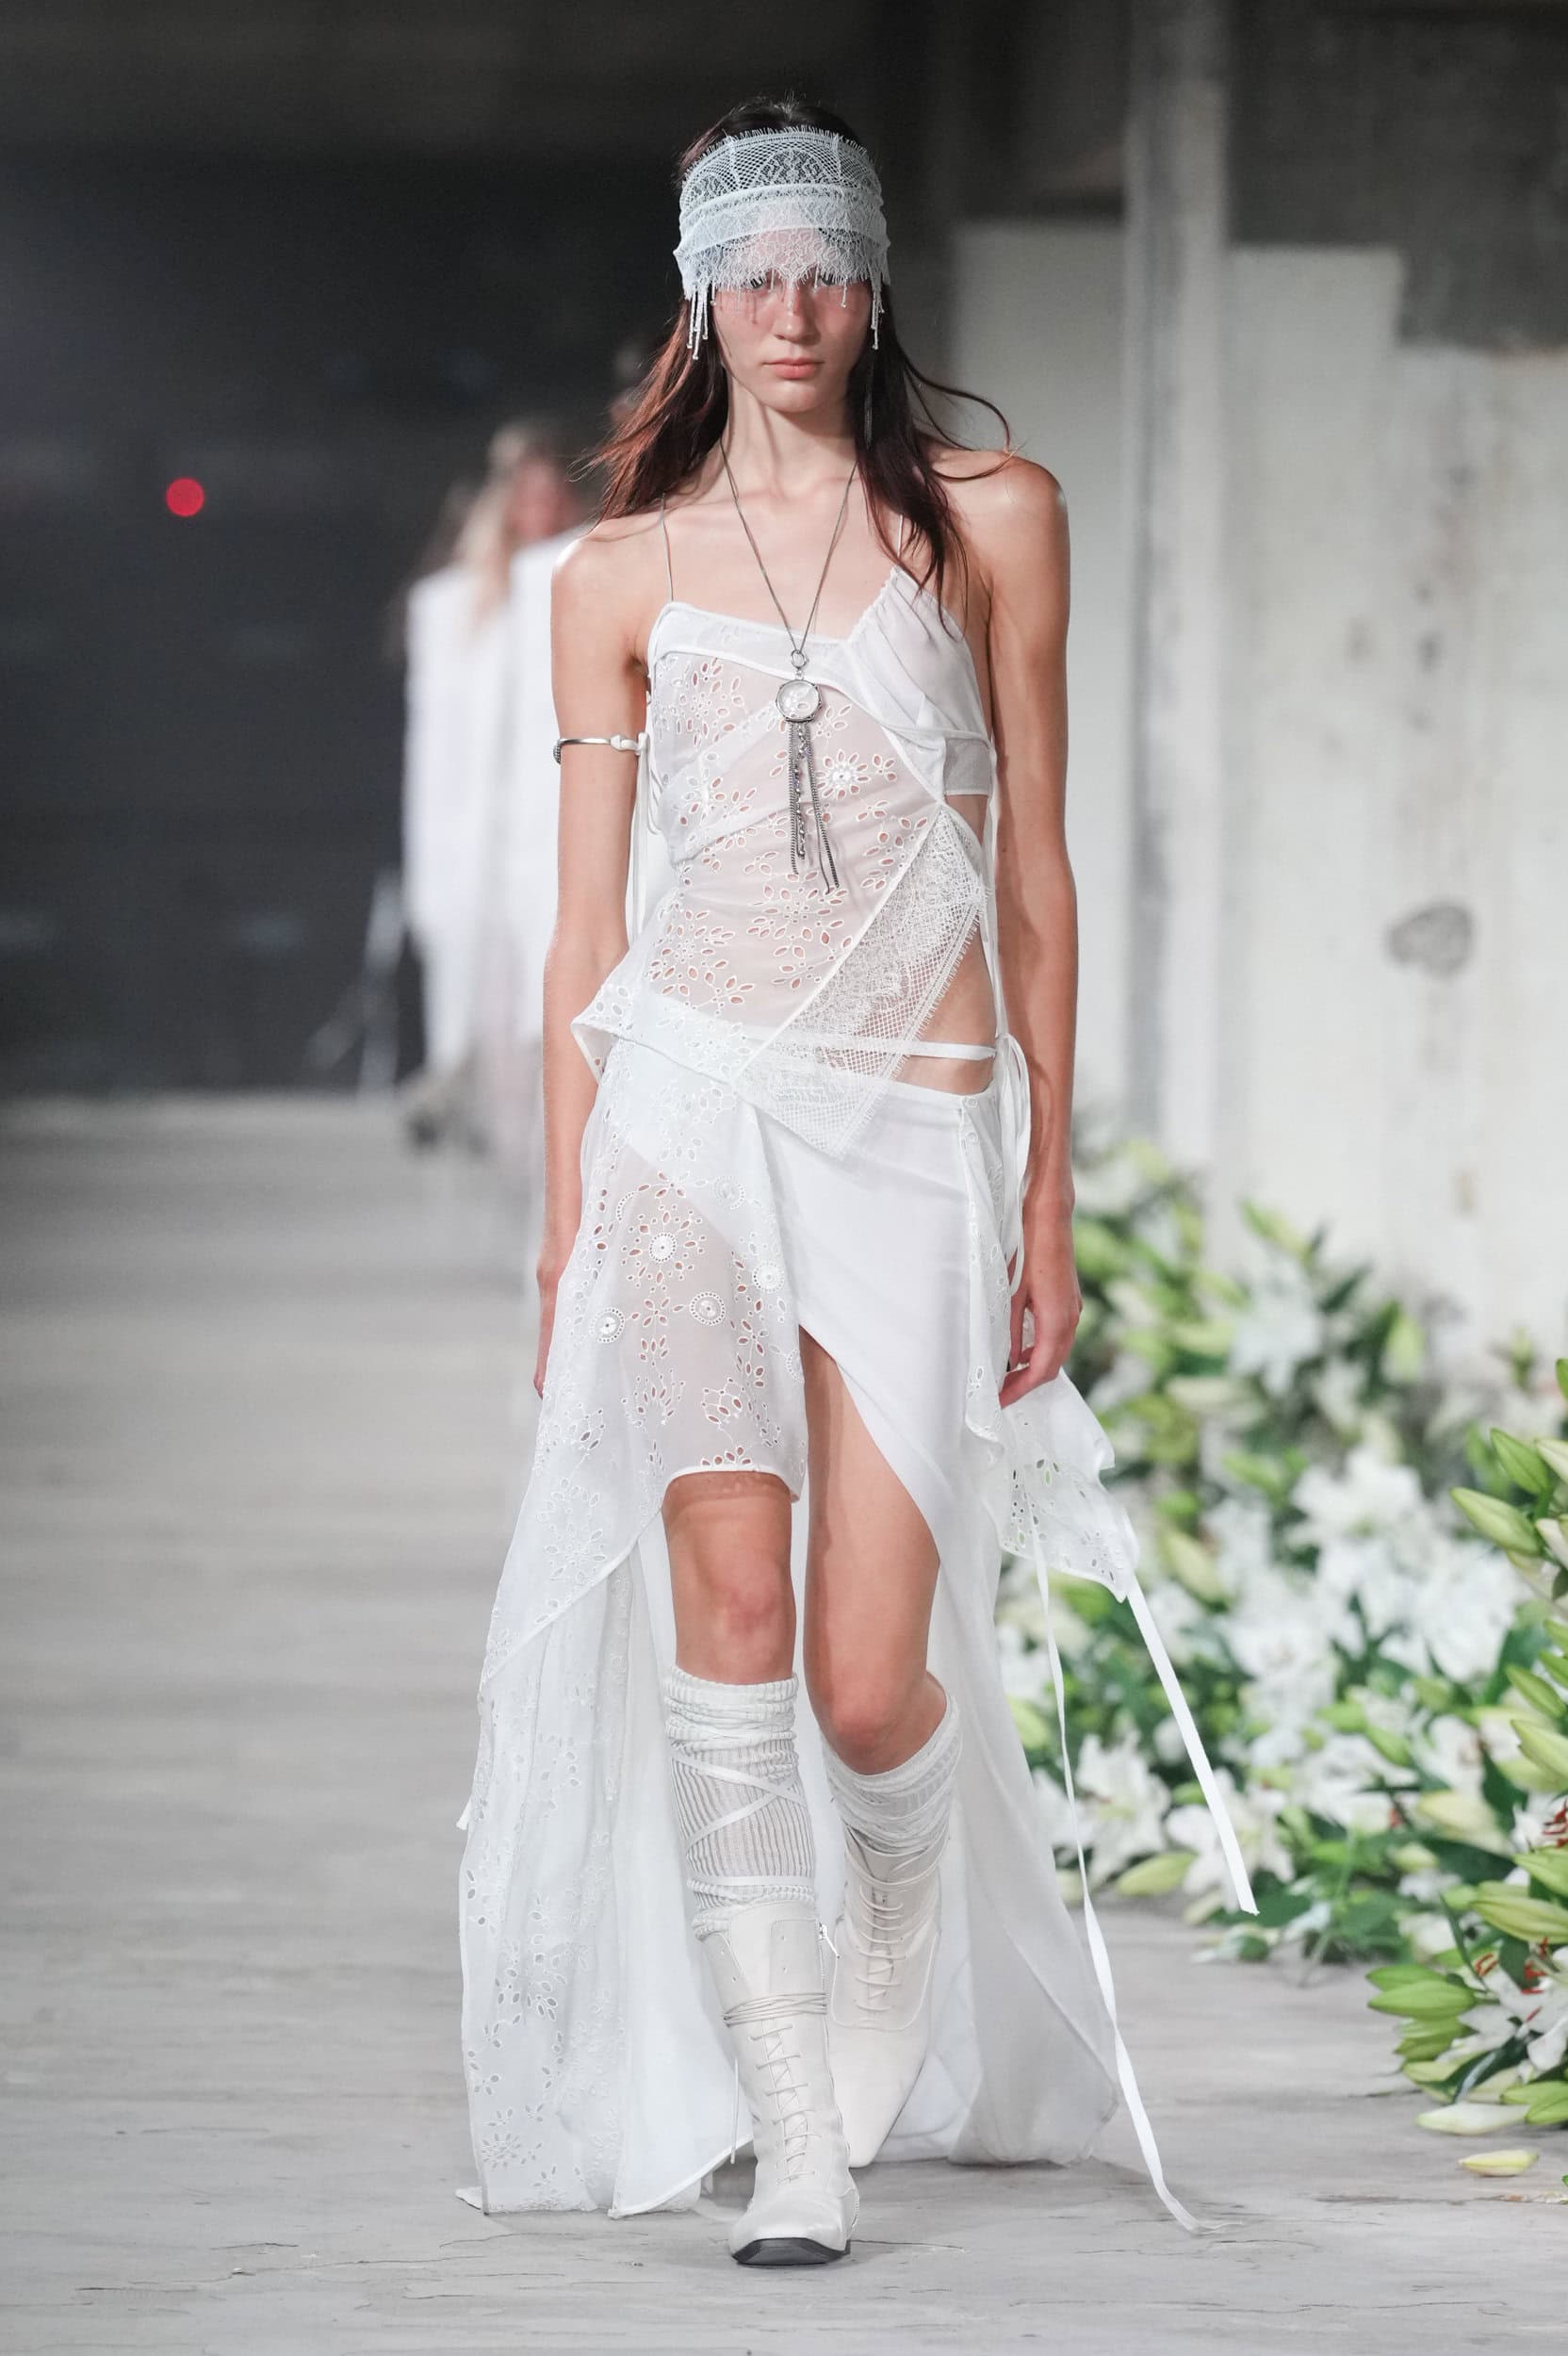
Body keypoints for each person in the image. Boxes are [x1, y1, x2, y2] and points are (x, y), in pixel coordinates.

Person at [456, 95, 1254, 2267]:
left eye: (824, 266)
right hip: (689, 1123)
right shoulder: (615, 576)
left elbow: (1040, 871)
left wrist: (1045, 1190)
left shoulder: (991, 516)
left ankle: (895, 1894)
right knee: (723, 1613)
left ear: (873, 283)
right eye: (751, 270)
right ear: (698, 299)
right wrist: (561, 1234)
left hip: (911, 1131)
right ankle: (794, 2125)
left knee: (861, 1675)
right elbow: (584, 930)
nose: (791, 306)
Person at [400, 423, 582, 1153]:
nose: (540, 507)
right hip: (478, 833)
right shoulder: (452, 607)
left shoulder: (583, 579)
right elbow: (435, 748)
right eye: (525, 492)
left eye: (553, 490)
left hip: (554, 819)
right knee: (482, 1001)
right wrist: (433, 864)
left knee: (549, 1001)